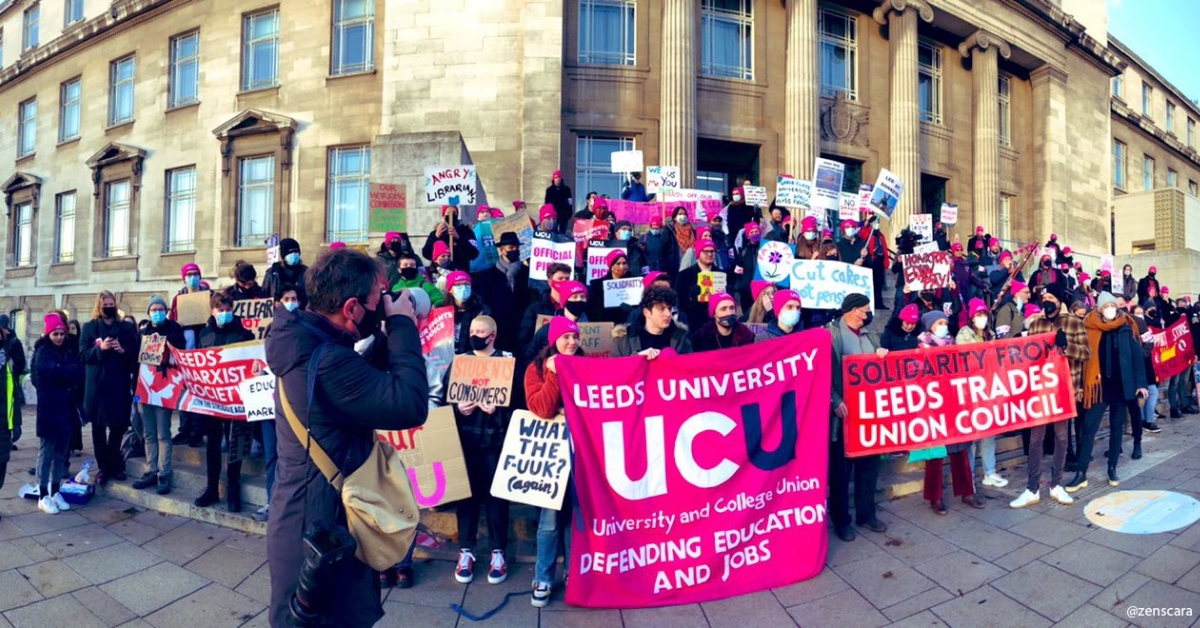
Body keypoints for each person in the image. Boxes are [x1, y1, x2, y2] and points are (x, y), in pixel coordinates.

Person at [265, 249, 428, 627]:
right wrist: (402, 324)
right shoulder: (327, 361)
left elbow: (353, 389)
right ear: (352, 308)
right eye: (378, 299)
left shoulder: (304, 344)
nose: (383, 305)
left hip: (310, 519)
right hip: (323, 533)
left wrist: (385, 337)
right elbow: (409, 404)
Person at [446, 315, 512, 586]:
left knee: (497, 498)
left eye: (481, 331)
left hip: (496, 441)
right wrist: (457, 409)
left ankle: (498, 552)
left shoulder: (506, 363)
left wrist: (499, 408)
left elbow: (517, 400)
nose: (475, 335)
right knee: (467, 498)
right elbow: (446, 399)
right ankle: (466, 550)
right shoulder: (459, 362)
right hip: (466, 441)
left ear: (493, 335)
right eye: (472, 330)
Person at [1010, 283, 1089, 507]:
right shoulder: (1036, 324)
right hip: (1040, 391)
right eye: (1044, 296)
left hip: (1064, 390)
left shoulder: (1074, 323)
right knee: (1035, 440)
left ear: (1060, 300)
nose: (1047, 300)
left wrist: (1067, 347)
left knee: (1062, 438)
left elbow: (1086, 353)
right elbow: (1028, 357)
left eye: (1052, 296)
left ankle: (1056, 485)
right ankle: (1032, 488)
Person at [523, 316, 581, 607]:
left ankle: (574, 575)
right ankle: (543, 578)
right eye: (565, 337)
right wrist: (555, 373)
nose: (571, 342)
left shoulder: (586, 365)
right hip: (550, 458)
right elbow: (542, 409)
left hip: (583, 457)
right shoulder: (535, 370)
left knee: (576, 518)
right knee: (549, 522)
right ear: (553, 341)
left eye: (575, 337)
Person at [1067, 292, 1148, 493]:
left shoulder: (1126, 326)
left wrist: (1141, 384)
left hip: (1121, 387)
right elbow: (1082, 355)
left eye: (1113, 305)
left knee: (1116, 428)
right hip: (1097, 387)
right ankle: (1081, 473)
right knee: (1088, 429)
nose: (1110, 309)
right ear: (1100, 309)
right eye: (1106, 306)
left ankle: (1112, 468)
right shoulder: (1089, 326)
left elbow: (1137, 357)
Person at [828, 293, 888, 541]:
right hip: (843, 416)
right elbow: (824, 372)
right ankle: (841, 520)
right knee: (841, 472)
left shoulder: (870, 335)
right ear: (852, 311)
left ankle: (867, 514)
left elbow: (878, 370)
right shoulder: (833, 335)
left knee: (869, 467)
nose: (868, 314)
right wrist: (835, 400)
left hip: (868, 413)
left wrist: (882, 355)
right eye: (864, 310)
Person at [913, 311, 983, 514]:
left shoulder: (953, 345)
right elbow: (916, 376)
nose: (944, 325)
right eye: (939, 323)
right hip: (933, 406)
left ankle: (967, 492)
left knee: (960, 451)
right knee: (934, 455)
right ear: (930, 327)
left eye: (945, 322)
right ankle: (934, 497)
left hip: (954, 403)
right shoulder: (920, 348)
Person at [193, 292, 255, 512]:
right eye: (221, 310)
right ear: (212, 311)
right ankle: (212, 488)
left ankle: (233, 490)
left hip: (236, 400)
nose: (225, 313)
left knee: (234, 445)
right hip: (212, 401)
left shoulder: (244, 334)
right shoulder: (205, 333)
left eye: (228, 310)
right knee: (212, 444)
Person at [80, 291, 139, 484]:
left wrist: (123, 351)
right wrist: (100, 349)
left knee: (118, 427)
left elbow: (135, 357)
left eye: (111, 303)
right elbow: (83, 356)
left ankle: (114, 463)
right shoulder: (90, 328)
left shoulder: (126, 328)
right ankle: (104, 467)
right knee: (98, 430)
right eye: (104, 304)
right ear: (99, 306)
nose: (108, 306)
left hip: (118, 386)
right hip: (97, 387)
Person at [133, 296, 185, 495]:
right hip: (144, 388)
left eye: (161, 309)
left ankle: (164, 472)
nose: (157, 312)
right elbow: (136, 363)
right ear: (148, 312)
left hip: (163, 388)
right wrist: (134, 390)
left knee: (163, 433)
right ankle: (150, 469)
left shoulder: (174, 329)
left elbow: (180, 353)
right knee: (149, 433)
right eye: (154, 309)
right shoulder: (144, 332)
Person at [32, 314, 83, 515]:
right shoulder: (43, 352)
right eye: (55, 333)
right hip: (49, 409)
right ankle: (42, 493)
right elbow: (50, 372)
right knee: (46, 453)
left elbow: (78, 372)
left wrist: (65, 372)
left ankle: (55, 490)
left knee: (61, 453)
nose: (60, 337)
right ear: (48, 334)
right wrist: (66, 373)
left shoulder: (68, 352)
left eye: (62, 333)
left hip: (65, 409)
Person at [956, 298, 1008, 489]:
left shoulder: (990, 334)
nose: (982, 318)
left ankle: (989, 472)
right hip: (972, 390)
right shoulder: (964, 335)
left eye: (984, 314)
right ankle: (968, 476)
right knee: (972, 437)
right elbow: (965, 359)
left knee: (989, 434)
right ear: (972, 317)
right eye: (978, 315)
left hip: (989, 388)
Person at [168, 263, 210, 447]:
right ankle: (184, 429)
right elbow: (171, 322)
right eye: (189, 274)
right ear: (184, 278)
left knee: (200, 393)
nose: (193, 277)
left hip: (202, 353)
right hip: (184, 353)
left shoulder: (209, 296)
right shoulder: (179, 298)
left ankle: (197, 432)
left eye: (196, 274)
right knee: (184, 392)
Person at [471, 232, 531, 355]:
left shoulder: (527, 273)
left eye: (517, 247)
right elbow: (485, 302)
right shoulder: (488, 275)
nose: (515, 250)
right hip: (498, 330)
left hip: (520, 328)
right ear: (502, 250)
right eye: (511, 248)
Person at [614, 287, 692, 357]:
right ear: (647, 313)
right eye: (661, 309)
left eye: (669, 308)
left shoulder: (680, 337)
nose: (668, 314)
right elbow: (616, 369)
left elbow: (690, 367)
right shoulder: (624, 339)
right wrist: (637, 358)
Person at [525, 280, 589, 361]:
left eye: (583, 297)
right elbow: (529, 356)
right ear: (565, 301)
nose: (579, 300)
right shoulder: (547, 329)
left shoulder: (594, 327)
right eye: (574, 297)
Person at [675, 240, 727, 330]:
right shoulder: (684, 275)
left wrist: (728, 293)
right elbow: (678, 301)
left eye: (712, 251)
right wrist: (691, 299)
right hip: (693, 323)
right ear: (698, 253)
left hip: (716, 324)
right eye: (705, 251)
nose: (710, 254)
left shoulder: (722, 274)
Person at [444, 271, 491, 354]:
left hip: (470, 359)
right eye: (458, 285)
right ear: (450, 289)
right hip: (446, 359)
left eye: (466, 284)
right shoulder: (442, 311)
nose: (463, 287)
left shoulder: (481, 310)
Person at [588, 249, 636, 324]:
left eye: (624, 263)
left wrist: (633, 311)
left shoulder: (636, 284)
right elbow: (592, 310)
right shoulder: (597, 285)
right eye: (618, 263)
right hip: (606, 327)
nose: (622, 267)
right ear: (611, 266)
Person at [263, 238, 309, 305]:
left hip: (300, 313)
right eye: (290, 253)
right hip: (277, 313)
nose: (293, 255)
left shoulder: (307, 273)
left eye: (296, 253)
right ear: (283, 256)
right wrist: (273, 304)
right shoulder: (272, 273)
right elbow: (264, 295)